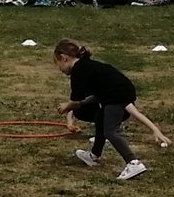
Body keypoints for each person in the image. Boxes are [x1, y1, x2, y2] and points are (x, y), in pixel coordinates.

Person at [53, 39, 149, 181]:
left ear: (64, 58)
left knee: (110, 131)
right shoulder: (85, 65)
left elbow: (76, 102)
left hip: (116, 95)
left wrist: (66, 106)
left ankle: (133, 162)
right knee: (100, 118)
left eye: (57, 63)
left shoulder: (78, 70)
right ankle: (94, 156)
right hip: (120, 91)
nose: (59, 68)